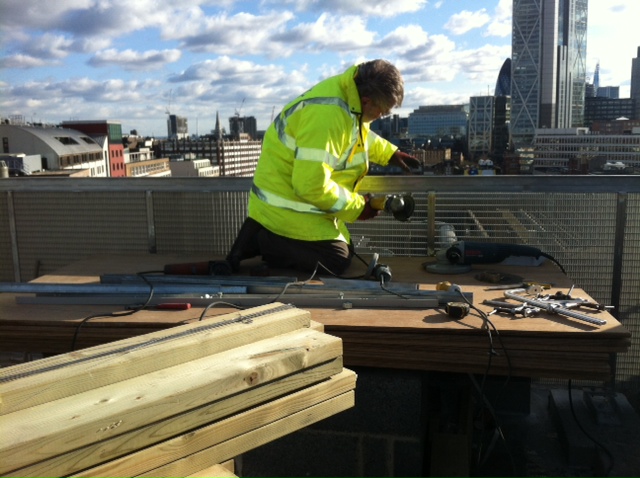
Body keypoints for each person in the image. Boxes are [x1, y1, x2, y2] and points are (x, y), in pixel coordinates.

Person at [226, 59, 420, 275]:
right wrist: (359, 207)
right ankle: (263, 240)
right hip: (284, 207)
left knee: (347, 249)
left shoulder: (347, 98)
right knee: (334, 261)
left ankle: (266, 237)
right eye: (382, 112)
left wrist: (389, 154)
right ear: (366, 101)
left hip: (293, 199)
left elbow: (352, 135)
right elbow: (310, 185)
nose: (380, 117)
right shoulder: (327, 116)